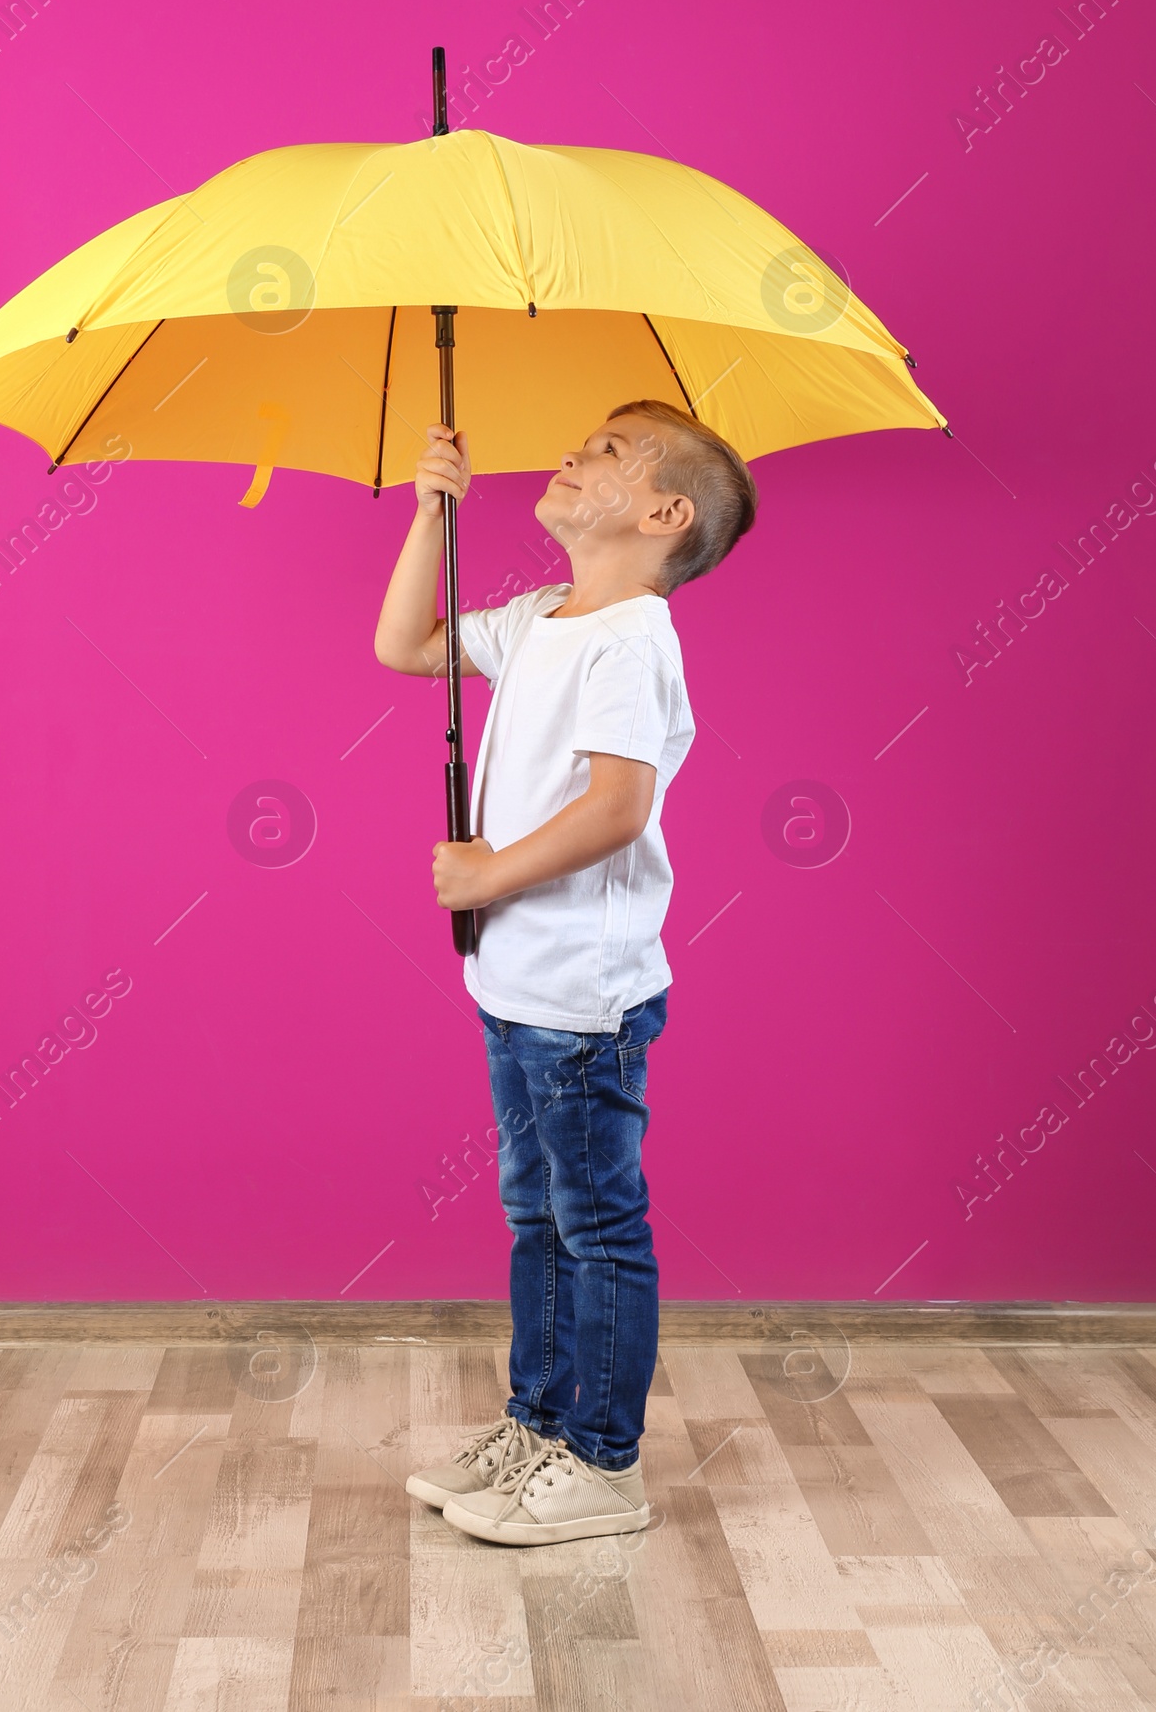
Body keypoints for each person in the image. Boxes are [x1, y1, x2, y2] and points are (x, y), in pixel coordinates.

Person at [374, 398, 758, 1545]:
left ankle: (604, 1460)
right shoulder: (544, 615)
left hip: (583, 998)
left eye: (606, 448)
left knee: (595, 1226)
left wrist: (490, 871)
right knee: (536, 1217)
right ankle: (540, 1423)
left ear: (661, 511)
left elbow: (615, 805)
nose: (571, 450)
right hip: (515, 988)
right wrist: (431, 512)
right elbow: (408, 645)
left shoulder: (632, 636)